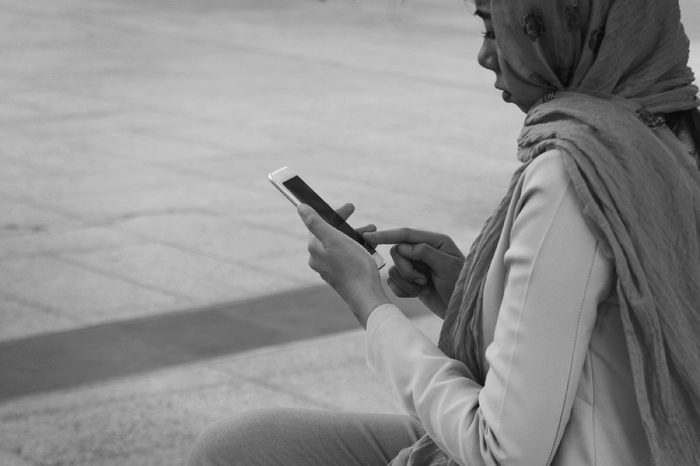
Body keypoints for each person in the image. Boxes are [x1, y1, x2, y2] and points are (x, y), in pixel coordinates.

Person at [190, 0, 700, 464]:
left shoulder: (576, 171)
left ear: (557, 28)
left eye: (497, 30)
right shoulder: (670, 133)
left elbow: (504, 452)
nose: (484, 55)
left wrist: (368, 302)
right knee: (243, 443)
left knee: (233, 451)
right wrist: (471, 293)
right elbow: (604, 341)